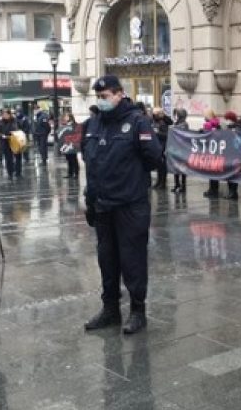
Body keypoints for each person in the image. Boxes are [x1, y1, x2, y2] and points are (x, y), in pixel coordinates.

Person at [82, 75, 162, 335]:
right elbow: (90, 162)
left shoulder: (137, 122)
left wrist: (132, 179)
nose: (101, 101)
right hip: (102, 205)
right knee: (107, 260)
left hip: (130, 204)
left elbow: (154, 157)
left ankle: (138, 310)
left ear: (119, 94)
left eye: (105, 96)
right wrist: (90, 199)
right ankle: (110, 309)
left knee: (133, 259)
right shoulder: (93, 124)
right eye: (98, 97)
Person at [201, 109, 222, 198]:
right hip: (212, 150)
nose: (204, 118)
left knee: (214, 171)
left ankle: (214, 190)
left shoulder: (214, 126)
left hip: (214, 150)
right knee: (212, 171)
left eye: (205, 115)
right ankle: (212, 189)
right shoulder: (216, 125)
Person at [151, 107, 173, 189]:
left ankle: (162, 182)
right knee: (158, 165)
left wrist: (157, 133)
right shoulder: (154, 121)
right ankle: (159, 181)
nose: (154, 116)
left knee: (163, 165)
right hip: (157, 145)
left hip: (163, 145)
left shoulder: (164, 122)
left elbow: (167, 135)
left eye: (155, 114)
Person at [0, 109, 22, 180]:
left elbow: (21, 129)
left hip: (16, 141)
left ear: (10, 114)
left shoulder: (15, 121)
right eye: (3, 115)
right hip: (5, 142)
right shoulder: (0, 122)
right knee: (8, 159)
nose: (5, 116)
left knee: (18, 157)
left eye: (6, 114)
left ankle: (18, 173)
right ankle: (10, 173)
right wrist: (2, 136)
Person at [223, 110, 241, 200]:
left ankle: (233, 192)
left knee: (234, 174)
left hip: (235, 155)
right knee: (229, 174)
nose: (225, 121)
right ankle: (230, 191)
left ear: (230, 119)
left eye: (226, 119)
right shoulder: (228, 128)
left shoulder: (237, 128)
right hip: (228, 154)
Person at [171, 108, 189, 194]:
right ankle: (176, 184)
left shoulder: (184, 124)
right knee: (175, 168)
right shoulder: (176, 123)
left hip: (182, 149)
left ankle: (183, 186)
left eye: (177, 114)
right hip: (176, 148)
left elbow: (182, 133)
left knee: (182, 168)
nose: (176, 116)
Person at [60, 112, 80, 179]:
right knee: (68, 159)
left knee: (74, 159)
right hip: (66, 144)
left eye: (66, 116)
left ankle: (76, 174)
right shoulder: (64, 125)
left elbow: (76, 133)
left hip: (72, 144)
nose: (65, 117)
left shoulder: (75, 124)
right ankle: (70, 173)